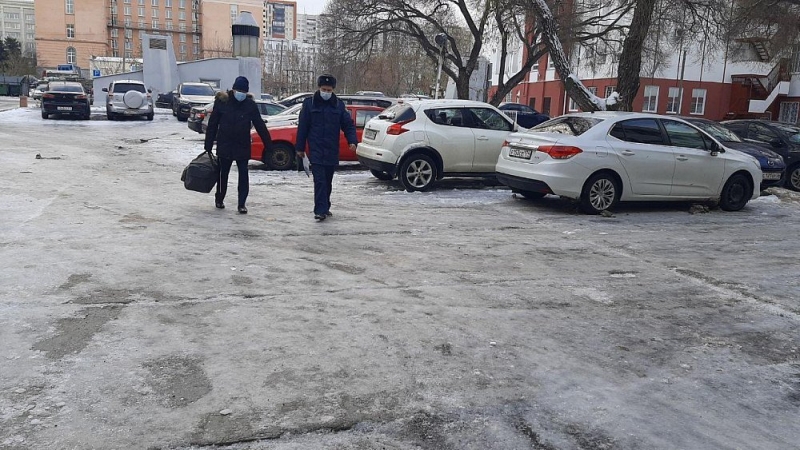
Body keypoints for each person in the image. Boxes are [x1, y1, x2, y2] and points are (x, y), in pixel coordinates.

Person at [204, 76, 271, 214]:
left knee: (243, 174)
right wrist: (208, 144)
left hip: (242, 145)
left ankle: (242, 203)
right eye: (238, 90)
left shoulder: (250, 105)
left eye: (243, 91)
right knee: (223, 174)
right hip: (225, 144)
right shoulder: (222, 102)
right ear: (233, 89)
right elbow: (212, 124)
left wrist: (268, 144)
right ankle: (219, 199)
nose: (241, 93)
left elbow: (259, 124)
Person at [295, 73, 358, 221]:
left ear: (333, 90)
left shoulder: (338, 105)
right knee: (320, 181)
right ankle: (320, 210)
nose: (326, 93)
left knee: (327, 181)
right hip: (316, 149)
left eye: (329, 90)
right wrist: (300, 147)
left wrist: (352, 141)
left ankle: (326, 205)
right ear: (319, 88)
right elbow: (303, 126)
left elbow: (348, 125)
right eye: (324, 89)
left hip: (331, 149)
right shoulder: (309, 104)